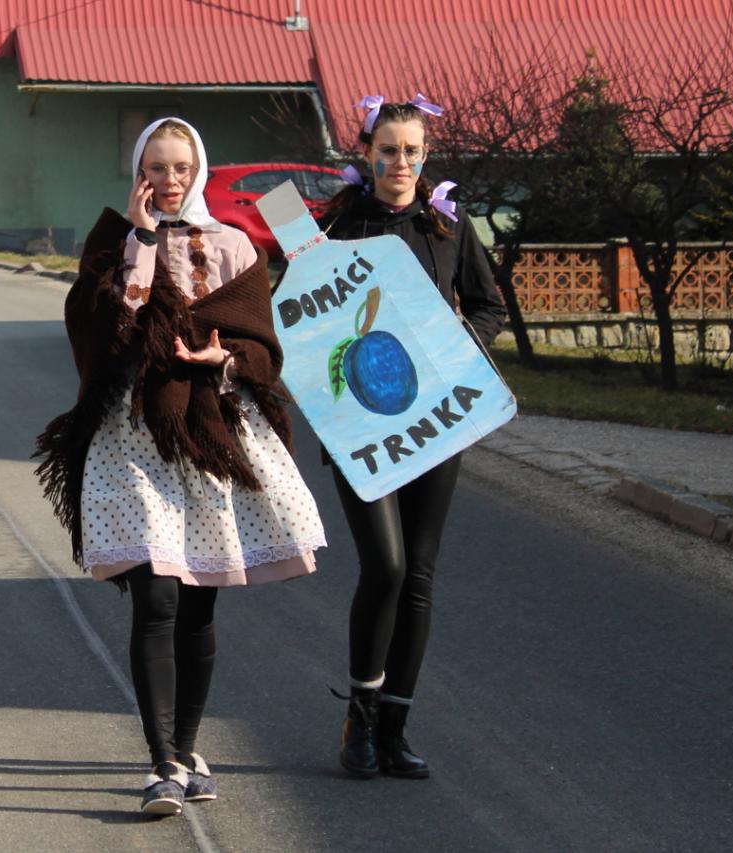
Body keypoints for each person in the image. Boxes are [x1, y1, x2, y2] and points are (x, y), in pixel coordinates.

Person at [36, 118, 326, 817]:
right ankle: (162, 761)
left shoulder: (233, 244)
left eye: (180, 167)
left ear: (198, 171)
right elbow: (99, 332)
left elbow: (262, 348)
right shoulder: (112, 243)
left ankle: (189, 749)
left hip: (209, 436)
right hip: (134, 436)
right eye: (155, 167)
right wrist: (137, 243)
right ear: (138, 172)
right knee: (157, 597)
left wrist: (223, 358)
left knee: (198, 603)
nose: (168, 181)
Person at [316, 95, 506, 779]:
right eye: (389, 150)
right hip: (358, 424)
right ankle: (360, 718)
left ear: (426, 155)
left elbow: (488, 307)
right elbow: (301, 319)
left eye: (413, 151)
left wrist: (461, 344)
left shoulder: (448, 227)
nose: (401, 162)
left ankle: (394, 729)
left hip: (435, 423)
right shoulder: (337, 226)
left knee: (419, 575)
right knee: (386, 567)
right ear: (367, 152)